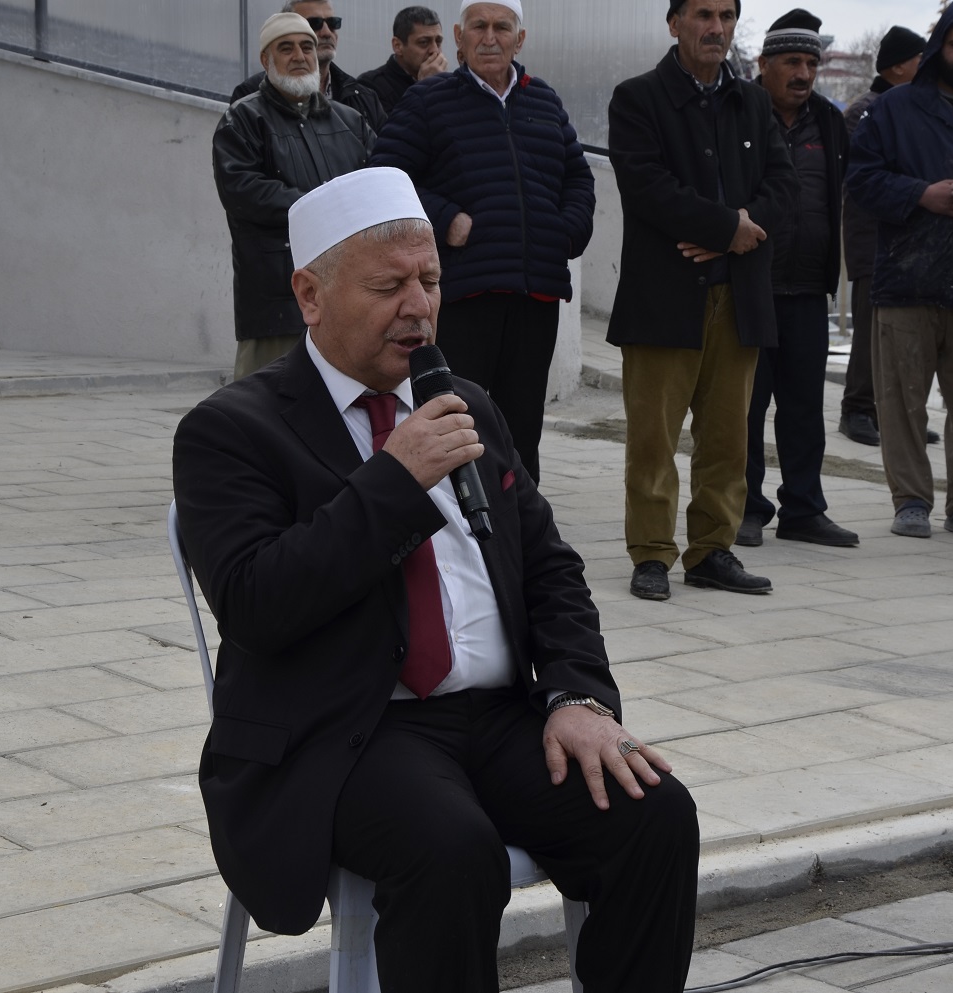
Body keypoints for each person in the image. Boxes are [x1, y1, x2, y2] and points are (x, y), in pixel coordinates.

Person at [172, 166, 699, 992]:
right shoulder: (233, 430)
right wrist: (393, 479)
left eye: (430, 280)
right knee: (452, 850)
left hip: (495, 715)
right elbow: (256, 603)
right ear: (310, 295)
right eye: (388, 286)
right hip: (346, 730)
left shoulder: (467, 405)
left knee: (653, 812)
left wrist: (577, 697)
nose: (419, 307)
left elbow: (552, 571)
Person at [605, 0, 798, 601]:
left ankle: (713, 550)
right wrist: (727, 229)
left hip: (738, 296)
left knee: (727, 438)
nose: (716, 28)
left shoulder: (755, 100)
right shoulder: (637, 98)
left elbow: (785, 185)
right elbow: (645, 187)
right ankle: (653, 554)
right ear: (674, 23)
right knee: (654, 438)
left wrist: (737, 234)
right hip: (663, 298)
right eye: (702, 15)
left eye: (726, 16)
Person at [370, 0, 595, 484]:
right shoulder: (430, 101)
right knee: (459, 423)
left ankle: (524, 536)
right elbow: (384, 176)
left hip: (536, 294)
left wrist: (567, 230)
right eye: (478, 26)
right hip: (464, 295)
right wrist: (445, 217)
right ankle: (464, 533)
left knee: (522, 428)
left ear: (520, 38)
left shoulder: (545, 101)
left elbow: (578, 177)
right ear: (459, 35)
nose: (489, 37)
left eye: (501, 27)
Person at [845, 0, 953, 542]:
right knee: (901, 401)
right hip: (907, 278)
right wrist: (923, 193)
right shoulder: (895, 109)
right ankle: (911, 500)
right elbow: (860, 180)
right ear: (939, 47)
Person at [738, 8, 857, 549]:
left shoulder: (831, 122)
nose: (803, 73)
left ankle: (804, 509)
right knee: (745, 407)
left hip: (809, 288)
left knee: (805, 409)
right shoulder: (737, 113)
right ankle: (743, 508)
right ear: (764, 64)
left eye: (811, 62)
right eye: (791, 61)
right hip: (749, 286)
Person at [212, 12, 373, 380]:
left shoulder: (351, 122)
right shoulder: (243, 119)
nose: (300, 56)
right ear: (266, 61)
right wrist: (325, 207)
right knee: (263, 413)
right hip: (276, 302)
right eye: (286, 48)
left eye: (307, 47)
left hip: (347, 296)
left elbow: (372, 188)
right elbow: (244, 191)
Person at [838, 25, 925, 447]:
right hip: (873, 240)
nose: (927, 67)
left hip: (913, 241)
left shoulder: (916, 109)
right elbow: (865, 179)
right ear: (895, 67)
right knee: (871, 332)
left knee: (909, 337)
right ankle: (856, 409)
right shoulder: (866, 111)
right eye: (919, 59)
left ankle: (899, 416)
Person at [231, 0, 386, 132]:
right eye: (315, 24)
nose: (326, 32)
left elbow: (384, 161)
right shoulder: (248, 96)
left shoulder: (364, 98)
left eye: (333, 23)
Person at [355, 5, 448, 113]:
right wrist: (423, 87)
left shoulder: (449, 84)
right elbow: (393, 128)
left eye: (438, 42)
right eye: (424, 42)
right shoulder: (369, 87)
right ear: (397, 46)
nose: (435, 50)